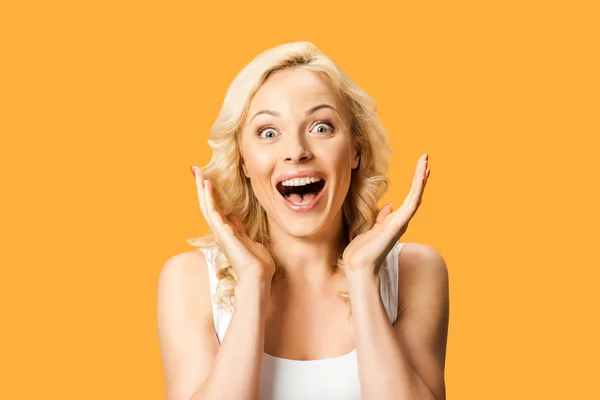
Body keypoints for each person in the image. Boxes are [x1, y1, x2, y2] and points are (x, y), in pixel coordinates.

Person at [157, 41, 449, 400]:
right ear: (244, 161)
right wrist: (252, 284)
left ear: (355, 150)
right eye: (268, 132)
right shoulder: (190, 281)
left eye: (321, 127)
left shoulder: (417, 272)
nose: (296, 151)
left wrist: (362, 277)